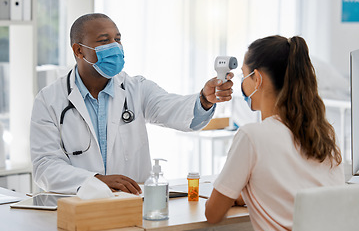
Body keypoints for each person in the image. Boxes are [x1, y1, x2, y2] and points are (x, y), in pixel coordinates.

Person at [30, 13, 234, 194]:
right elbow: (44, 165)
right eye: (104, 41)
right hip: (78, 208)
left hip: (130, 204)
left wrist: (204, 100)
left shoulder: (136, 88)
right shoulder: (49, 100)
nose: (115, 47)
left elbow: (172, 108)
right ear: (79, 51)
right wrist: (94, 181)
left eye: (117, 39)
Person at [205, 35, 344, 231]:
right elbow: (293, 190)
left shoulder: (251, 136)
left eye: (244, 76)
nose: (242, 85)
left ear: (258, 78)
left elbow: (212, 213)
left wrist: (236, 192)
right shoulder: (325, 133)